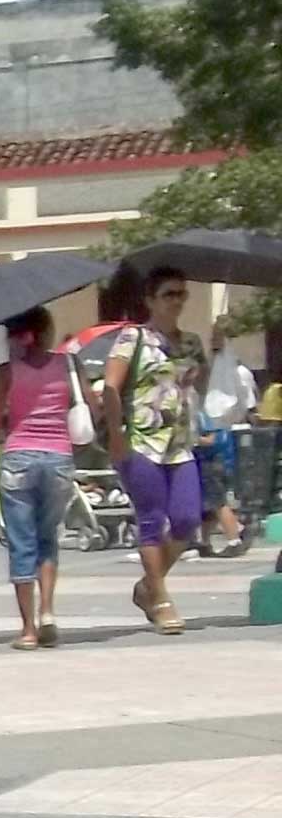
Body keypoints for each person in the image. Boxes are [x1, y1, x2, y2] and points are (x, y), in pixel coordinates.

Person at [0, 307, 74, 651]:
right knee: (47, 539)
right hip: (59, 458)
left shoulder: (6, 372)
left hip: (19, 457)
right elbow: (92, 410)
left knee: (21, 543)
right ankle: (48, 613)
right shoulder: (68, 365)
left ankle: (27, 629)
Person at [102, 266, 203, 635]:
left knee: (188, 518)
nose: (176, 301)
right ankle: (160, 600)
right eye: (169, 294)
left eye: (181, 293)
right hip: (142, 441)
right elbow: (111, 387)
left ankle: (147, 585)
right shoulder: (134, 338)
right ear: (150, 300)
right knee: (150, 519)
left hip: (180, 444)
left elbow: (197, 384)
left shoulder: (191, 343)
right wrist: (115, 434)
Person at [203, 322, 255, 550]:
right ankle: (204, 539)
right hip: (218, 436)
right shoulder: (215, 367)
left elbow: (239, 403)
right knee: (209, 496)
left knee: (216, 495)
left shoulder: (229, 371)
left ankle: (234, 536)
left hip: (219, 439)